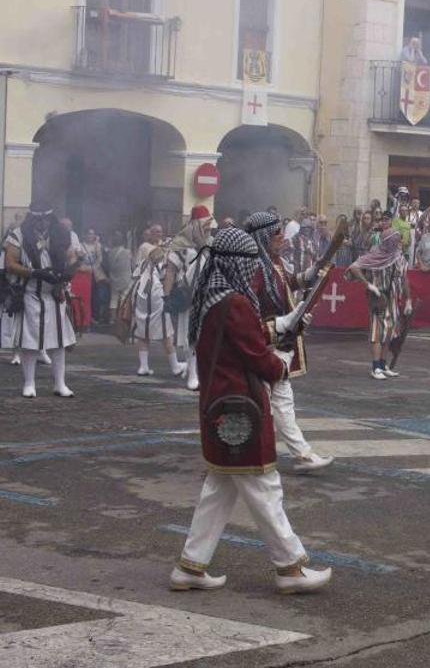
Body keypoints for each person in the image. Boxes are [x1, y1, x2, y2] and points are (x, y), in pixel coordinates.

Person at [169, 227, 331, 594]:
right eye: (251, 264)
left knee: (219, 490)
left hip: (219, 405)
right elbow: (256, 354)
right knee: (265, 488)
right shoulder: (235, 303)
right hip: (240, 408)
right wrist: (281, 364)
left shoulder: (214, 298)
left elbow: (248, 336)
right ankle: (290, 567)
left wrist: (284, 324)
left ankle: (191, 565)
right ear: (238, 264)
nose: (256, 271)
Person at [244, 211, 333, 474]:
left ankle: (300, 454)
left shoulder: (273, 262)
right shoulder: (255, 268)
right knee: (270, 401)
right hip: (264, 342)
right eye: (276, 233)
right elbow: (248, 310)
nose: (282, 236)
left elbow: (287, 284)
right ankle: (290, 454)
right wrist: (280, 325)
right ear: (263, 237)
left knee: (279, 400)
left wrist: (311, 273)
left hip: (278, 342)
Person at [4, 208, 77, 398]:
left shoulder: (61, 233)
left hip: (55, 292)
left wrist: (66, 275)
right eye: (38, 219)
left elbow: (72, 256)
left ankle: (60, 383)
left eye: (46, 219)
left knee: (59, 340)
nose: (43, 223)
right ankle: (29, 383)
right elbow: (10, 263)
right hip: (30, 292)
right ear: (32, 218)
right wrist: (34, 273)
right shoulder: (18, 235)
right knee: (29, 340)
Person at [348, 229, 412, 380]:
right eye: (396, 240)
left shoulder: (399, 257)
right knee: (378, 332)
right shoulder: (374, 255)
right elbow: (354, 268)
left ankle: (383, 365)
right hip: (379, 298)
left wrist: (408, 299)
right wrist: (369, 285)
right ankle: (376, 367)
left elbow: (404, 278)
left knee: (389, 332)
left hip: (394, 299)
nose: (398, 243)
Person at [165, 207, 216, 390]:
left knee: (209, 336)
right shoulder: (181, 244)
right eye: (206, 225)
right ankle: (193, 374)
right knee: (192, 337)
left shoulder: (212, 243)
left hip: (211, 295)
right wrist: (166, 296)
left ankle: (201, 372)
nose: (209, 228)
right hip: (189, 296)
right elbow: (171, 271)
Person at [131, 246, 185, 378]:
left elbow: (134, 278)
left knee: (143, 333)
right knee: (166, 333)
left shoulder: (142, 265)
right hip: (156, 299)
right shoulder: (162, 265)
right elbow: (169, 279)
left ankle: (143, 366)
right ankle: (175, 366)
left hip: (141, 299)